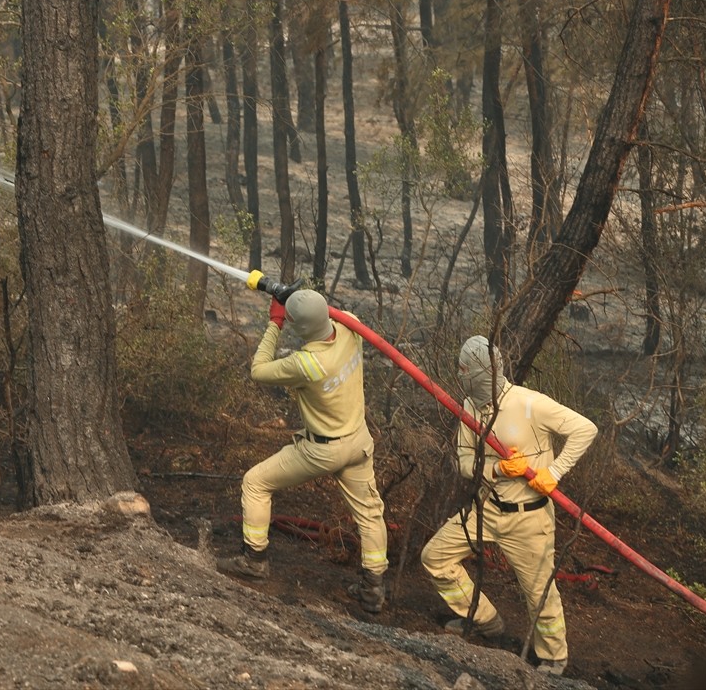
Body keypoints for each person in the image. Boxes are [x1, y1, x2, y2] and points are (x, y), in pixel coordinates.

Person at [421, 335, 598, 677]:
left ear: (485, 372)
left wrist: (554, 472)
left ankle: (553, 658)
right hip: (486, 508)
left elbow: (584, 429)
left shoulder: (529, 404)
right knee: (435, 558)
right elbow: (463, 462)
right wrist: (497, 469)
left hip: (528, 518)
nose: (463, 380)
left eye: (468, 373)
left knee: (539, 592)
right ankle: (485, 620)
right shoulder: (471, 407)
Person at [217, 288, 389, 615]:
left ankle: (253, 561)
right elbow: (323, 313)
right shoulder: (352, 326)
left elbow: (259, 370)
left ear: (299, 328)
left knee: (255, 483)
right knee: (370, 514)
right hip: (358, 440)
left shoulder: (306, 363)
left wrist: (275, 322)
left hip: (323, 450)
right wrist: (300, 298)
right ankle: (373, 590)